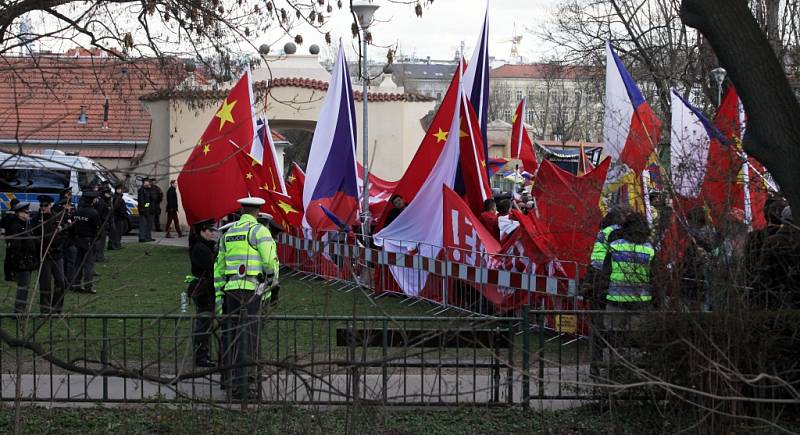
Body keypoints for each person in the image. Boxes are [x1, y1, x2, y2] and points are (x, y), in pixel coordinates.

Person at [214, 197, 280, 399]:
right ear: (258, 213)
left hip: (231, 290)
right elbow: (270, 261)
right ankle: (246, 387)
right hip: (251, 290)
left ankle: (232, 382)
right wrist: (272, 283)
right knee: (250, 338)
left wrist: (219, 297)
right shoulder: (259, 231)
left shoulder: (230, 232)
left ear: (241, 210)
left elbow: (219, 267)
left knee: (233, 337)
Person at [602, 212, 656, 331]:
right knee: (635, 340)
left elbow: (605, 274)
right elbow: (654, 278)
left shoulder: (615, 247)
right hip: (641, 302)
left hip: (616, 300)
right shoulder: (650, 250)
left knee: (613, 338)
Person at [187, 218, 218, 367]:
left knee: (206, 322)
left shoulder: (205, 246)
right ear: (202, 232)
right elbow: (211, 266)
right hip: (203, 290)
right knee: (203, 323)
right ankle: (201, 356)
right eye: (210, 231)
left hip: (207, 289)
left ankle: (203, 354)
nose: (213, 233)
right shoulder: (200, 248)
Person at [34, 195, 67, 313]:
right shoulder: (36, 219)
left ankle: (57, 308)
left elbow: (63, 235)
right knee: (45, 284)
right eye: (41, 205)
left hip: (57, 255)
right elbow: (33, 237)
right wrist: (41, 247)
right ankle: (45, 309)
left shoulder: (57, 217)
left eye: (45, 205)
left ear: (50, 205)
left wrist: (58, 245)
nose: (43, 208)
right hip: (44, 256)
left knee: (60, 282)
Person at [6, 202, 38, 313]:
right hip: (21, 261)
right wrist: (21, 260)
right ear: (19, 213)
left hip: (27, 260)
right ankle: (19, 311)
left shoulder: (25, 225)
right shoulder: (16, 226)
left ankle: (21, 309)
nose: (28, 213)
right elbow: (15, 247)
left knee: (25, 286)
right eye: (26, 212)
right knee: (23, 286)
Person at [71, 191, 101, 294]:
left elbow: (72, 227)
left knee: (77, 264)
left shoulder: (77, 212)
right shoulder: (93, 213)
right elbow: (98, 228)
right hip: (89, 240)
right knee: (89, 265)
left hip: (77, 240)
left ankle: (76, 285)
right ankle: (88, 286)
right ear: (92, 200)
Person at [2, 198, 21, 282]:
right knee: (12, 256)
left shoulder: (7, 214)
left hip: (10, 238)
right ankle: (12, 275)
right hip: (13, 238)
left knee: (9, 257)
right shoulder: (14, 214)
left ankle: (9, 275)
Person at [94, 185, 112, 262]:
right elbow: (100, 214)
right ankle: (99, 257)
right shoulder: (101, 202)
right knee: (100, 242)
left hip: (103, 224)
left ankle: (100, 256)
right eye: (107, 193)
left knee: (102, 242)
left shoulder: (104, 201)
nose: (109, 194)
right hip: (101, 224)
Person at [108, 183, 127, 250]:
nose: (120, 190)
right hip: (117, 217)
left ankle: (117, 244)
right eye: (119, 189)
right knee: (116, 232)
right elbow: (117, 207)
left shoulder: (119, 197)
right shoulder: (116, 197)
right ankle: (114, 245)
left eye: (121, 189)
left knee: (119, 232)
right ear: (116, 190)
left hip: (120, 217)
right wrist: (122, 213)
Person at [137, 178, 155, 242]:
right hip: (144, 210)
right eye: (147, 182)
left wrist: (150, 189)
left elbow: (153, 198)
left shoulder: (149, 190)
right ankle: (142, 237)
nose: (148, 183)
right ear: (144, 183)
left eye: (148, 182)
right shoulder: (141, 190)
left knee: (149, 225)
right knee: (143, 224)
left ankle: (148, 237)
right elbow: (142, 202)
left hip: (150, 210)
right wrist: (146, 207)